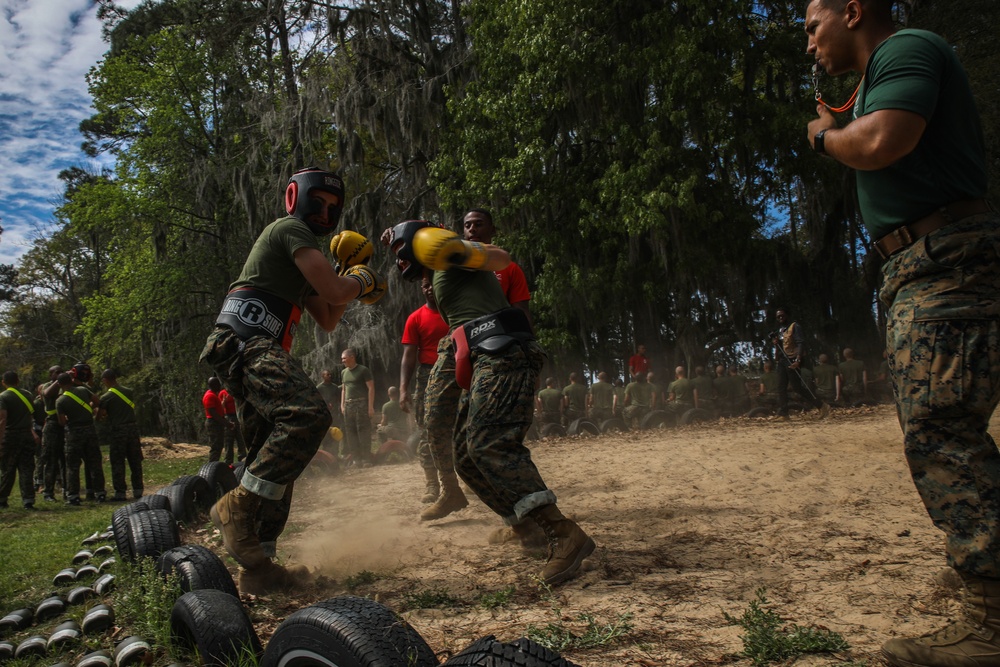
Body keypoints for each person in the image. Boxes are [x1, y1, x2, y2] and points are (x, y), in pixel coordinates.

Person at [806, 2, 1000, 664]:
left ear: (852, 11)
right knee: (946, 426)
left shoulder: (907, 47)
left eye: (813, 25)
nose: (810, 44)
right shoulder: (886, 68)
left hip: (943, 261)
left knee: (943, 431)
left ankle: (992, 617)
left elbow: (881, 141)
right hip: (925, 263)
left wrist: (823, 137)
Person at [200, 166, 384, 594]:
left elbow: (327, 317)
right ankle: (236, 507)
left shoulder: (303, 260)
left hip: (252, 344)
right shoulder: (288, 228)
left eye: (333, 207)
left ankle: (259, 567)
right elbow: (341, 293)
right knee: (307, 415)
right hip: (246, 339)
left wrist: (343, 272)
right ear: (294, 197)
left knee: (271, 455)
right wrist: (357, 279)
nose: (325, 212)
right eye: (318, 202)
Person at [383, 220, 595, 585]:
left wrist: (458, 247)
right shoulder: (435, 273)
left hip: (502, 348)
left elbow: (501, 258)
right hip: (473, 349)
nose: (397, 261)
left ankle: (563, 533)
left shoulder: (447, 250)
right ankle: (524, 525)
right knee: (464, 453)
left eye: (398, 251)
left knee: (487, 443)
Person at [399, 273, 451, 503]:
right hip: (427, 375)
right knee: (426, 431)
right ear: (421, 289)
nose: (429, 289)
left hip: (455, 373)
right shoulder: (416, 318)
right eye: (425, 286)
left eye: (433, 284)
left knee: (461, 428)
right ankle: (432, 484)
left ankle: (464, 480)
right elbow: (408, 356)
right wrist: (403, 389)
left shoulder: (455, 313)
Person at [463, 209, 532, 323]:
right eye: (467, 226)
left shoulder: (510, 268)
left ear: (492, 230)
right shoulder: (454, 267)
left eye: (479, 225)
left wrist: (529, 339)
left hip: (499, 332)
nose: (472, 229)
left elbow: (522, 310)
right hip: (464, 332)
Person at [56, 367, 105, 505]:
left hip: (73, 433)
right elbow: (97, 401)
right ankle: (100, 493)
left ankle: (73, 496)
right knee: (95, 463)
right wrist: (89, 409)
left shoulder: (60, 401)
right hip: (89, 429)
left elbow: (62, 422)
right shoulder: (83, 390)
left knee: (73, 466)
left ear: (59, 384)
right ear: (71, 381)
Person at [771, 308, 829, 419]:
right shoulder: (780, 330)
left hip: (792, 359)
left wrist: (798, 360)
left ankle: (821, 405)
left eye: (782, 315)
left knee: (797, 387)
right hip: (782, 360)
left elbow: (801, 343)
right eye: (778, 316)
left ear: (787, 315)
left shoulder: (795, 326)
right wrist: (776, 343)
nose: (780, 318)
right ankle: (783, 413)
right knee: (781, 387)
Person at [96, 369, 144, 501]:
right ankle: (138, 489)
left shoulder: (106, 397)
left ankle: (120, 492)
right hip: (132, 428)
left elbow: (100, 416)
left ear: (105, 380)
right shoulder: (129, 391)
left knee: (117, 461)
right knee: (135, 460)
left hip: (118, 431)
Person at [0, 371, 38, 509]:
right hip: (26, 434)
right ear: (18, 381)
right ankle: (28, 500)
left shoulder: (3, 397)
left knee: (7, 469)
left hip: (10, 436)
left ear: (3, 382)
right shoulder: (27, 394)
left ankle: (2, 498)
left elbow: (2, 419)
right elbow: (31, 416)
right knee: (27, 468)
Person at [340, 348, 375, 466]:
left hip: (361, 404)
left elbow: (371, 388)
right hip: (348, 405)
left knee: (363, 431)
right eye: (342, 359)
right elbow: (344, 389)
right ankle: (356, 460)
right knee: (350, 432)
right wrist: (342, 404)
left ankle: (366, 459)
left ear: (352, 357)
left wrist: (370, 407)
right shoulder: (344, 372)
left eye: (344, 358)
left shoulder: (363, 370)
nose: (343, 361)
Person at [40, 365, 66, 502]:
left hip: (65, 426)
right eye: (57, 372)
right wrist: (59, 381)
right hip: (52, 425)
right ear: (51, 375)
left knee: (66, 460)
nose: (60, 374)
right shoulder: (47, 386)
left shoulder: (67, 386)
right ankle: (48, 492)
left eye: (62, 372)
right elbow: (47, 394)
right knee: (50, 460)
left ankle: (67, 490)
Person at [218, 386, 246, 464]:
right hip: (229, 416)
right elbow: (220, 408)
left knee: (241, 439)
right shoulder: (223, 393)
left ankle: (242, 460)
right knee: (228, 441)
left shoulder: (237, 391)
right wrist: (224, 402)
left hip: (238, 416)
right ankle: (228, 462)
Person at [202, 377, 226, 463]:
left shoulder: (213, 395)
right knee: (216, 446)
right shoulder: (210, 396)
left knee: (219, 445)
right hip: (214, 423)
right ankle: (211, 466)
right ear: (214, 385)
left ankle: (214, 465)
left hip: (216, 422)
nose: (220, 385)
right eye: (218, 384)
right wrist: (226, 423)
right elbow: (213, 413)